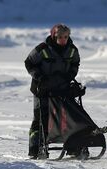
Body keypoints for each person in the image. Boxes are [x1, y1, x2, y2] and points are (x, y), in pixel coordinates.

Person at [24, 23, 80, 159]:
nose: (63, 40)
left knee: (68, 117)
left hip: (62, 89)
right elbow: (29, 63)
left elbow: (75, 64)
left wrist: (70, 76)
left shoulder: (72, 50)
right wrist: (40, 77)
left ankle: (73, 148)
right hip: (42, 89)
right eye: (60, 37)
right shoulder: (42, 49)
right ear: (54, 36)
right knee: (40, 119)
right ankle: (35, 150)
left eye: (66, 37)